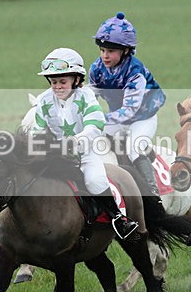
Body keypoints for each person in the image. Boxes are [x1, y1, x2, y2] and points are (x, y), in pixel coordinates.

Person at [32, 47, 140, 240]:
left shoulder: (86, 97)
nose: (57, 86)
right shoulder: (44, 100)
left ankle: (119, 219)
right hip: (56, 155)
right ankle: (11, 229)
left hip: (85, 154)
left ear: (76, 79)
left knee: (95, 180)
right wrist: (40, 145)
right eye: (54, 82)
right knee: (27, 177)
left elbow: (95, 124)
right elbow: (37, 129)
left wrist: (76, 141)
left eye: (62, 81)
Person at [88, 12, 166, 201]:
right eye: (102, 50)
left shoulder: (135, 71)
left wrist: (100, 119)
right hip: (117, 116)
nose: (105, 56)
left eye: (111, 51)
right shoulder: (97, 69)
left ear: (125, 51)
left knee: (134, 149)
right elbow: (90, 98)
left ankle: (152, 193)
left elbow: (130, 110)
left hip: (142, 117)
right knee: (92, 138)